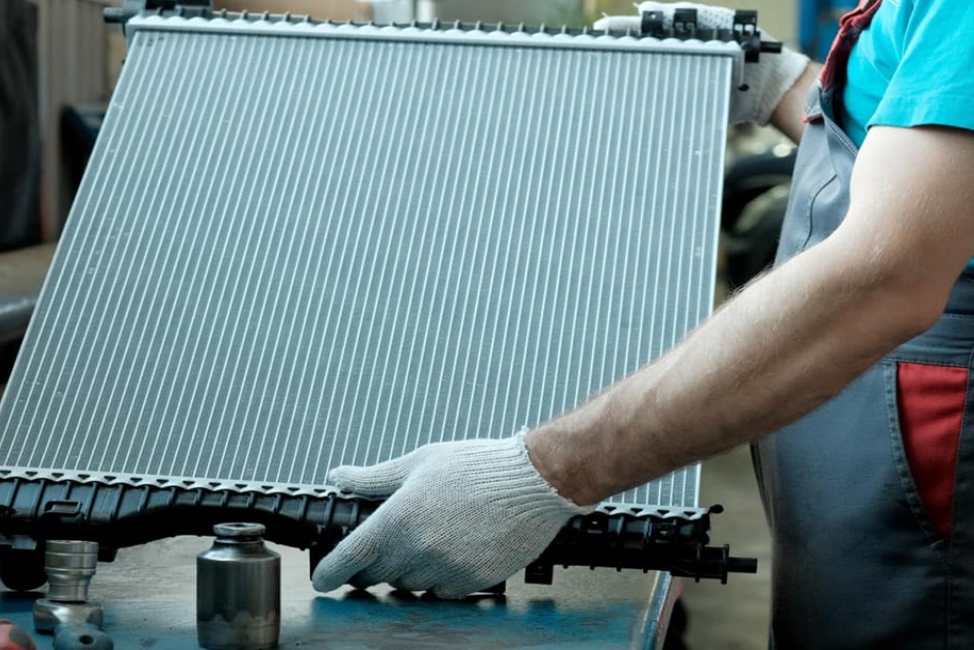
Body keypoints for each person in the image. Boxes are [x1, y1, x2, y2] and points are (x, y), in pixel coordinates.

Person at [312, 1, 974, 647]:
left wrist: (540, 475)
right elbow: (923, 169)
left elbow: (885, 274)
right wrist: (784, 84)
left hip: (930, 455)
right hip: (866, 456)